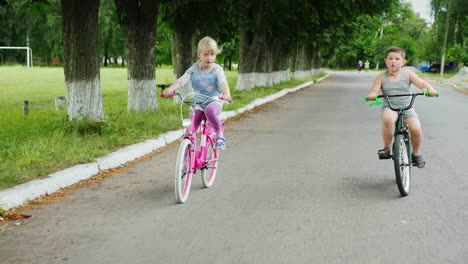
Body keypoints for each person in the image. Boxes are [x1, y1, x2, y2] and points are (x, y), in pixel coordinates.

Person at [366, 46, 438, 168]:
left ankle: (416, 154)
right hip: (390, 106)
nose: (393, 61)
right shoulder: (381, 77)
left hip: (407, 107)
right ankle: (387, 148)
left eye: (397, 58)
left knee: (416, 129)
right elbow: (374, 90)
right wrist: (373, 95)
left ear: (403, 62)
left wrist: (430, 89)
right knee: (388, 119)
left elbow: (421, 83)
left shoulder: (408, 74)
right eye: (390, 58)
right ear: (385, 61)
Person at [163, 36, 232, 149]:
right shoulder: (194, 68)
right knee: (190, 129)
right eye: (205, 54)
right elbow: (182, 80)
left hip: (214, 100)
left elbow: (223, 83)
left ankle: (220, 135)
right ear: (198, 54)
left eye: (212, 54)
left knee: (210, 110)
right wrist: (170, 89)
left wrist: (226, 94)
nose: (209, 58)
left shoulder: (217, 69)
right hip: (198, 102)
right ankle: (185, 160)